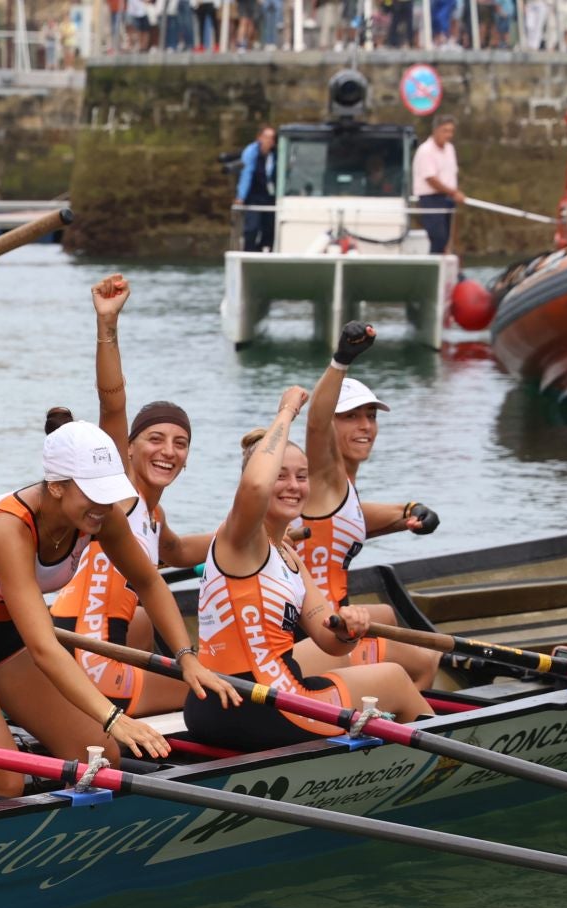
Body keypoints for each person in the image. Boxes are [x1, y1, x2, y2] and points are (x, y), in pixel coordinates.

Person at [0, 414, 236, 796]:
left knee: (100, 756)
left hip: (5, 633)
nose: (104, 504)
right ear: (57, 486)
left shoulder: (103, 515)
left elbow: (148, 582)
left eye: (108, 491)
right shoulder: (7, 528)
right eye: (93, 492)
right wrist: (113, 717)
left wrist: (187, 657)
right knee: (4, 781)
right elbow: (44, 648)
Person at [184, 391, 434, 752]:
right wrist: (287, 412)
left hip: (226, 704)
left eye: (302, 477)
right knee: (394, 679)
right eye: (281, 476)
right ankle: (440, 764)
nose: (294, 486)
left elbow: (329, 640)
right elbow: (254, 485)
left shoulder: (287, 555)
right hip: (253, 705)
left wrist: (348, 629)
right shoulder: (238, 538)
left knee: (352, 658)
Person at [51, 277, 211, 718]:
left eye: (180, 443)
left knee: (141, 621)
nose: (168, 451)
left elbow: (179, 551)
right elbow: (113, 404)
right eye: (155, 439)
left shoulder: (153, 515)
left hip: (78, 646)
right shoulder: (117, 495)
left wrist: (259, 536)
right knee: (221, 688)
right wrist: (107, 325)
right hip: (91, 662)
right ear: (127, 449)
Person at [296, 323, 443, 687]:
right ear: (331, 425)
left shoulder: (341, 486)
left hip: (331, 617)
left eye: (371, 416)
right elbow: (315, 423)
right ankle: (397, 711)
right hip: (316, 628)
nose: (365, 427)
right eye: (351, 417)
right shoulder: (321, 475)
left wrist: (409, 511)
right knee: (427, 662)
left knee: (387, 615)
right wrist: (341, 360)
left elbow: (358, 517)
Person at [413, 116, 461, 254]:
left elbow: (451, 174)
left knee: (447, 240)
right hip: (431, 199)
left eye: (451, 131)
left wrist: (453, 193)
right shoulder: (426, 150)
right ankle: (434, 262)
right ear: (436, 130)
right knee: (438, 237)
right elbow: (431, 179)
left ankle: (445, 261)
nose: (449, 135)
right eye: (445, 131)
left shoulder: (450, 149)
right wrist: (453, 192)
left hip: (448, 199)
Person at [237, 126, 276, 253]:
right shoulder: (251, 152)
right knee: (252, 227)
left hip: (270, 196)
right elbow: (246, 174)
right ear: (259, 138)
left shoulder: (276, 154)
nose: (269, 141)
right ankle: (249, 250)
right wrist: (241, 196)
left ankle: (264, 249)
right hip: (254, 195)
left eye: (272, 138)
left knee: (270, 226)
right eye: (266, 137)